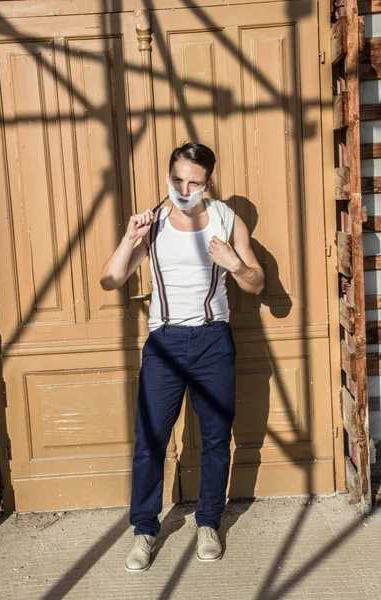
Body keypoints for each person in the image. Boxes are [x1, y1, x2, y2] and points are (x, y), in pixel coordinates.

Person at [101, 142, 264, 572]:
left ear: (208, 183)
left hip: (214, 341)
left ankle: (208, 523)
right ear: (168, 175)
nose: (184, 189)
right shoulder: (152, 224)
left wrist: (234, 263)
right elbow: (110, 279)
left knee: (215, 440)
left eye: (194, 182)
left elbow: (256, 284)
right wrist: (128, 238)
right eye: (177, 179)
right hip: (164, 342)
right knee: (150, 441)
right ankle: (144, 530)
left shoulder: (227, 220)